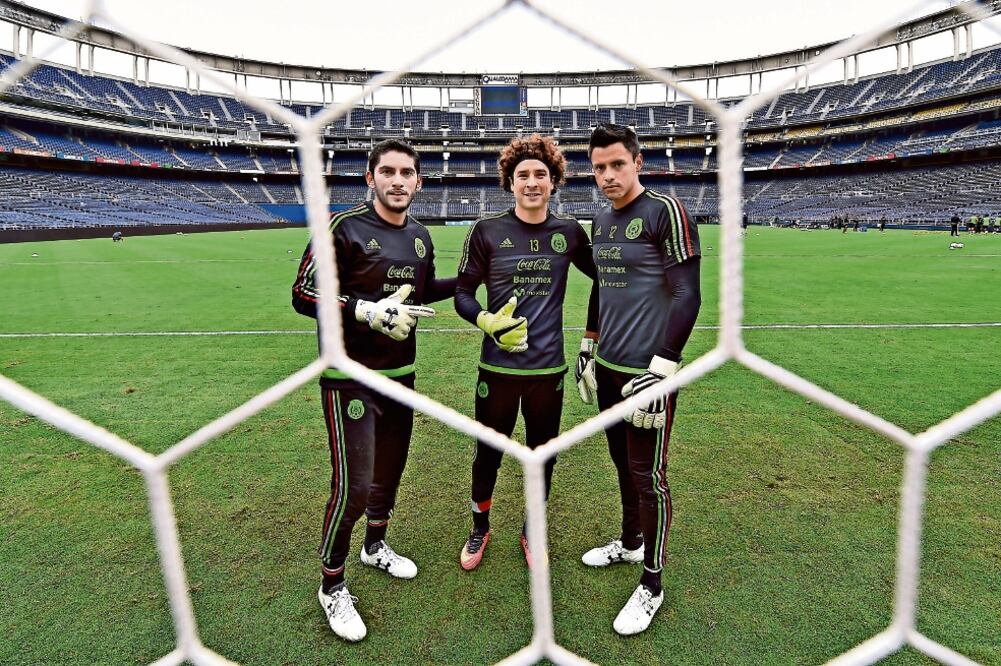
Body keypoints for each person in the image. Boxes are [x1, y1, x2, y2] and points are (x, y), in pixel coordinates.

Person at [291, 139, 456, 642]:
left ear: (419, 181)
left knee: (389, 473)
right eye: (388, 172)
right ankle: (332, 585)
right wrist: (364, 309)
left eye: (407, 173)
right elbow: (303, 293)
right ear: (371, 178)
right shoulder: (342, 227)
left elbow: (423, 292)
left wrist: (472, 279)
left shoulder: (421, 236)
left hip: (401, 376)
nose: (398, 181)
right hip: (350, 378)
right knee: (354, 487)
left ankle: (375, 546)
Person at [576, 123, 701, 636]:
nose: (608, 175)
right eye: (599, 167)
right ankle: (630, 544)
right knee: (622, 465)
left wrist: (663, 369)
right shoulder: (601, 219)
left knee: (650, 476)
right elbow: (601, 288)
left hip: (646, 375)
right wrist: (588, 344)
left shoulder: (664, 210)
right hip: (608, 369)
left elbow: (687, 293)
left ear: (637, 163)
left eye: (617, 164)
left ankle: (652, 583)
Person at [454, 133, 597, 571]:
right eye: (523, 175)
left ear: (553, 181)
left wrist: (591, 337)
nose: (531, 182)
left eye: (540, 174)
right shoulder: (487, 231)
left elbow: (607, 279)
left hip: (547, 370)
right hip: (496, 368)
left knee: (542, 453)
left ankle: (532, 529)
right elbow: (462, 293)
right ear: (510, 182)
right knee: (488, 453)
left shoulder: (569, 232)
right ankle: (480, 527)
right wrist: (485, 320)